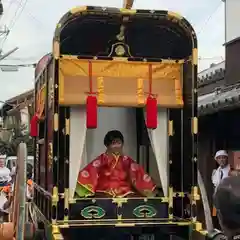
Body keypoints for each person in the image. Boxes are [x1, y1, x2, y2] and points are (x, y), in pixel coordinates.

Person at [76, 130, 156, 198]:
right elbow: (91, 170)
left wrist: (146, 186)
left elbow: (138, 172)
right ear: (107, 145)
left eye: (119, 143)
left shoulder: (126, 160)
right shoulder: (101, 159)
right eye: (114, 143)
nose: (117, 146)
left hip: (125, 191)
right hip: (104, 191)